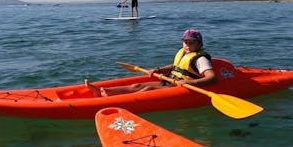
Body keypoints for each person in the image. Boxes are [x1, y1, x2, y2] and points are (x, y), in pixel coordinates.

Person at [85, 29, 216, 97]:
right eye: (185, 42)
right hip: (170, 82)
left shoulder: (201, 59)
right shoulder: (184, 52)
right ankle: (103, 91)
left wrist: (189, 82)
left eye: (191, 42)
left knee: (148, 89)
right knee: (137, 85)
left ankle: (116, 101)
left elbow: (211, 78)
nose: (187, 45)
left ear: (199, 44)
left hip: (182, 87)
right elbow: (175, 67)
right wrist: (158, 70)